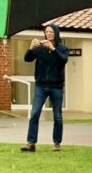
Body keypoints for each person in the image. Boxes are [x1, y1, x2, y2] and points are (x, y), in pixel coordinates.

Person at [20, 23, 68, 152]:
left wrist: (53, 49)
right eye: (47, 32)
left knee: (57, 116)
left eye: (51, 32)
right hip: (41, 86)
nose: (49, 34)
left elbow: (63, 60)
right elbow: (27, 59)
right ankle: (31, 143)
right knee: (35, 113)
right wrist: (30, 48)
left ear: (56, 33)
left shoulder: (62, 48)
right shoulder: (39, 48)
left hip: (56, 86)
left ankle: (57, 143)